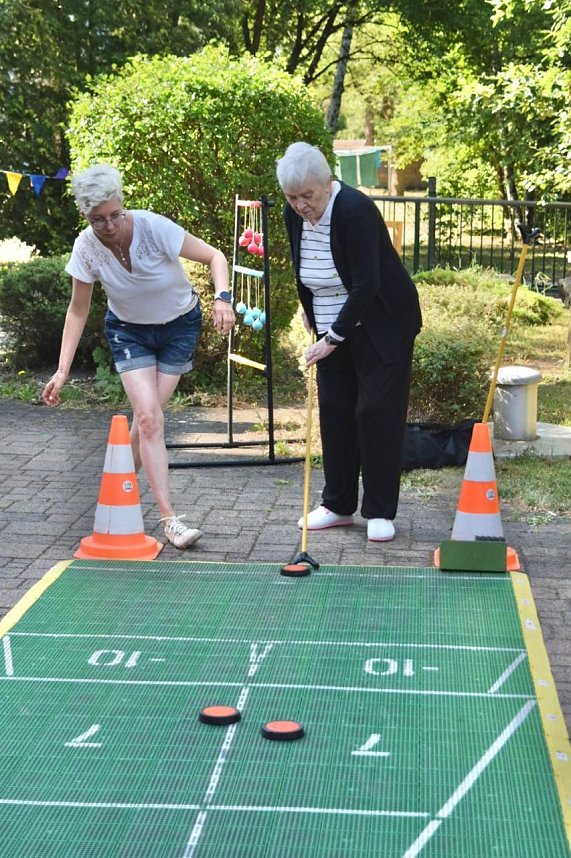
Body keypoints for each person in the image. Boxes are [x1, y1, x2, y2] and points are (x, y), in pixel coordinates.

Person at [42, 164, 235, 549]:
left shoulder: (152, 227)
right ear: (86, 216)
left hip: (180, 326)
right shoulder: (85, 247)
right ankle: (170, 520)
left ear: (123, 206)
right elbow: (78, 310)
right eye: (99, 220)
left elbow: (215, 257)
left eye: (115, 215)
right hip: (129, 331)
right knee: (148, 418)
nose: (110, 225)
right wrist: (62, 371)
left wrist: (222, 298)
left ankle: (117, 494)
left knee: (146, 421)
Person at [276, 142, 422, 542]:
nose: (301, 205)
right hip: (332, 322)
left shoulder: (354, 209)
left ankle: (379, 511)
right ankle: (338, 505)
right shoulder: (294, 213)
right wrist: (311, 311)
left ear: (328, 183)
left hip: (383, 323)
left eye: (307, 195)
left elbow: (366, 284)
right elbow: (302, 265)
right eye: (292, 197)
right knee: (336, 411)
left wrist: (332, 339)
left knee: (375, 411)